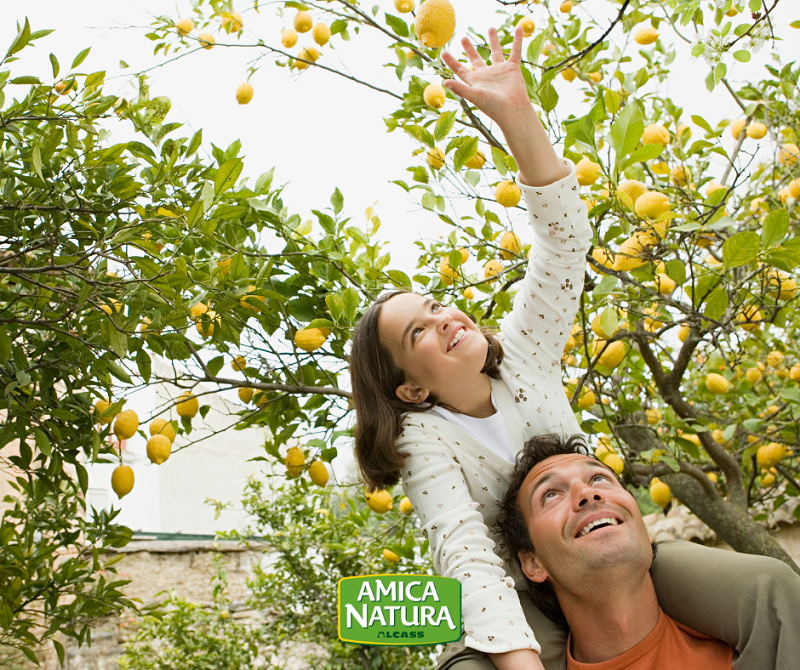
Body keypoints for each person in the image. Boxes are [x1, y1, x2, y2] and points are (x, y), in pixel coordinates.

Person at [349, 24, 800, 670]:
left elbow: (562, 245)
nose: (446, 319)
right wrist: (520, 660)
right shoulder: (423, 440)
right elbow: (467, 553)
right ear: (411, 389)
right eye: (419, 332)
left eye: (437, 304)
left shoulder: (525, 354)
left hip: (594, 550)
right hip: (512, 592)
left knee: (772, 591)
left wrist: (516, 114)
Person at [497, 433, 769, 668]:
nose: (587, 493)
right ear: (533, 563)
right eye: (551, 494)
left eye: (600, 479)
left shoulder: (757, 652)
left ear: (645, 531)